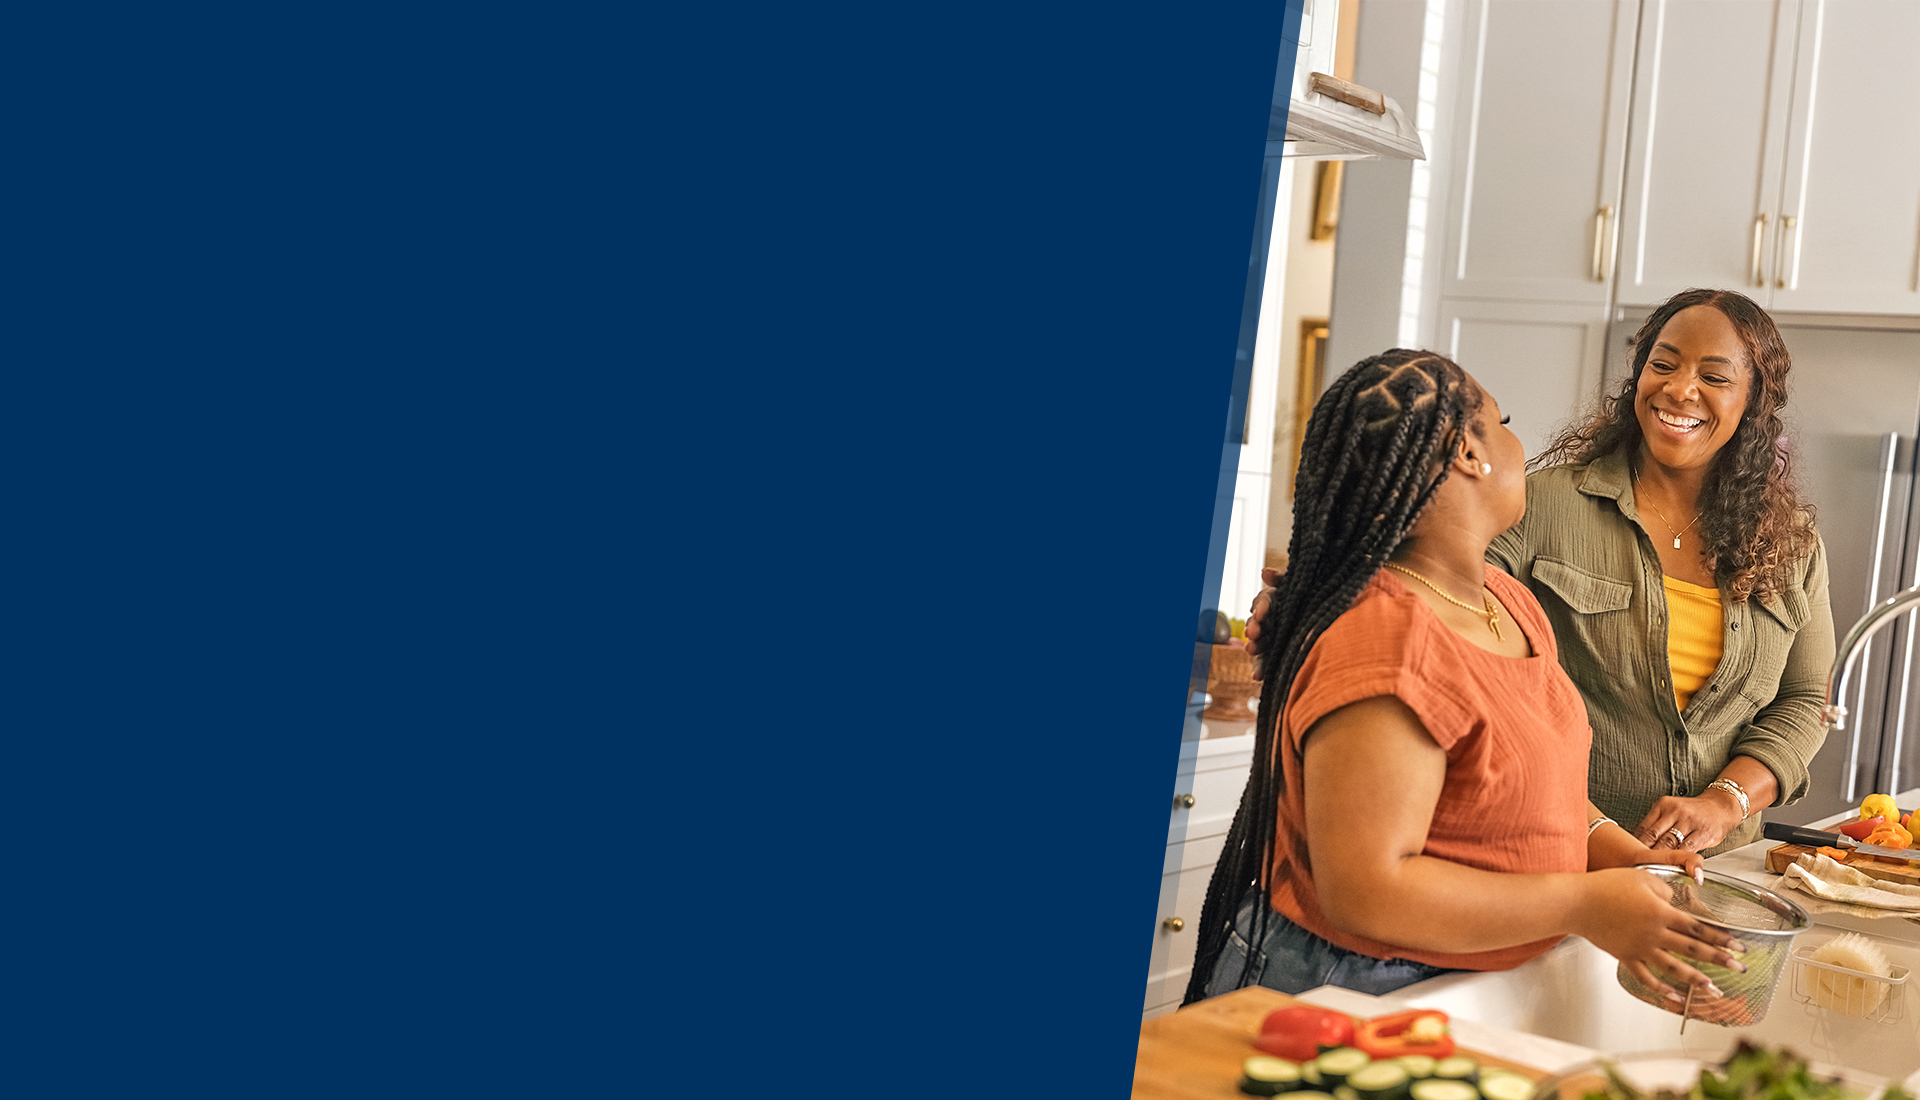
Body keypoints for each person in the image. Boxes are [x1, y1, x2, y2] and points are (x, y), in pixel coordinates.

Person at [1185, 349, 1742, 1007]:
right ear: (1467, 453)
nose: (1515, 440)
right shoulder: (1387, 641)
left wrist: (1616, 853)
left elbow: (1532, 794)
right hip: (1350, 989)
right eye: (1502, 422)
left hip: (1468, 984)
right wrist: (1584, 903)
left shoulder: (1508, 602)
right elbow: (1367, 890)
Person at [1246, 290, 1832, 860]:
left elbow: (1804, 699)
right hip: (1556, 861)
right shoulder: (1541, 505)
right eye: (1663, 364)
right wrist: (1313, 601)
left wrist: (1727, 800)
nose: (1680, 389)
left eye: (1714, 376)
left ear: (1753, 402)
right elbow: (1419, 583)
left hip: (1720, 868)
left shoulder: (1792, 543)